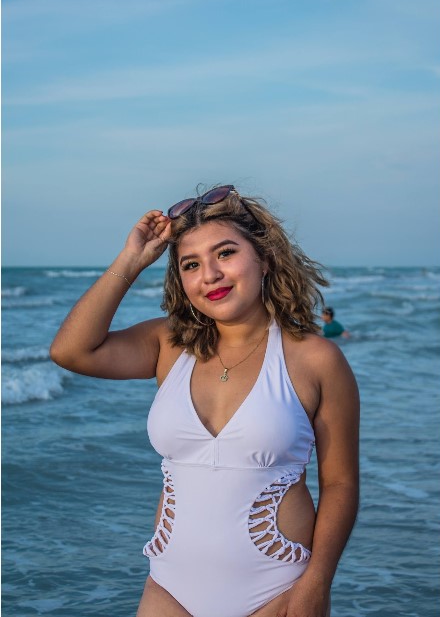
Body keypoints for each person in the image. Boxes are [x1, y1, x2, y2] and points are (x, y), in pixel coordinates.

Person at [50, 185, 360, 617]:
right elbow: (71, 351)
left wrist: (317, 583)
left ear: (265, 259)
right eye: (190, 264)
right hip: (168, 587)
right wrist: (132, 261)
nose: (209, 274)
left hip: (276, 589)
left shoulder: (316, 359)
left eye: (226, 253)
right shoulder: (168, 345)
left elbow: (341, 484)